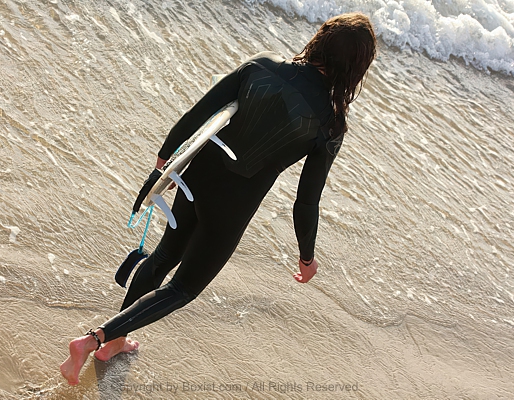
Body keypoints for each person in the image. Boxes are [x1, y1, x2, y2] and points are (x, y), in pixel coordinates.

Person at [61, 12, 377, 385]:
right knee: (183, 288)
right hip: (232, 204)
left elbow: (200, 113)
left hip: (197, 175)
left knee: (163, 256)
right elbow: (306, 200)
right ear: (356, 68)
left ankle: (113, 344)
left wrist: (165, 163)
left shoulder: (263, 64)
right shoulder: (330, 124)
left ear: (321, 39)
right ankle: (94, 340)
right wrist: (307, 256)